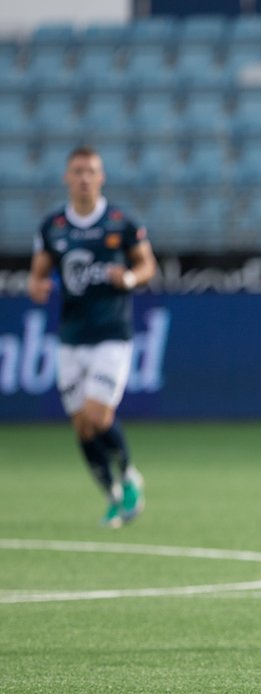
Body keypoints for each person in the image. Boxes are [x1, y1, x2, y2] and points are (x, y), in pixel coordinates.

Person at [27, 146, 156, 529]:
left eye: (91, 171)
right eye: (78, 171)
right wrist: (37, 286)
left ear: (101, 178)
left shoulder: (120, 223)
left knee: (99, 415)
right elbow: (38, 272)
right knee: (82, 425)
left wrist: (130, 278)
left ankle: (130, 474)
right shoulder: (53, 227)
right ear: (67, 177)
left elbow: (148, 264)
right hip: (71, 337)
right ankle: (113, 495)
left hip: (111, 335)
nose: (84, 178)